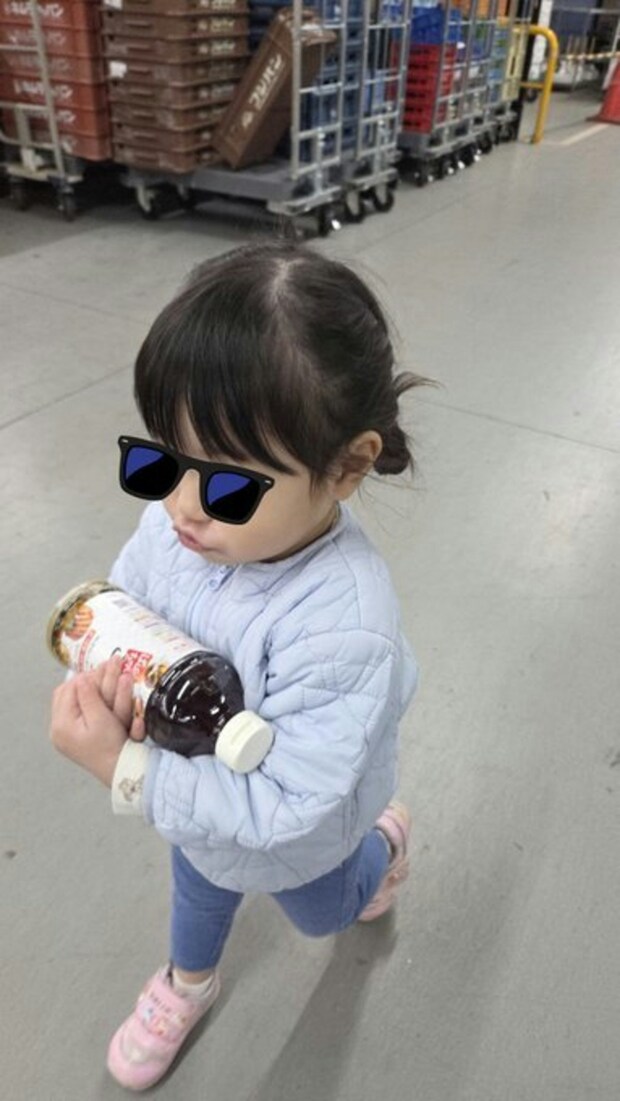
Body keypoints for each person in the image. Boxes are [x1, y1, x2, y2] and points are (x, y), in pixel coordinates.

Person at [49, 240, 431, 1092]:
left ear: (347, 465)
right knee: (198, 885)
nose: (181, 506)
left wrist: (127, 770)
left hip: (306, 836)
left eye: (226, 484)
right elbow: (132, 602)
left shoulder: (344, 626)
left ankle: (382, 845)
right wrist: (111, 682)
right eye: (164, 458)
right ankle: (188, 981)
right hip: (196, 810)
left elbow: (287, 804)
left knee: (326, 911)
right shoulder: (177, 525)